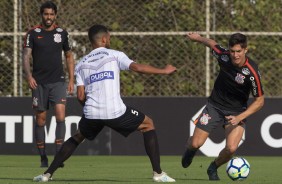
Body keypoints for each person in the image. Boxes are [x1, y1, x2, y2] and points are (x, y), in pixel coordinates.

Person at [33, 24, 176, 182]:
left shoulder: (81, 64)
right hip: (115, 111)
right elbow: (136, 67)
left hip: (91, 113)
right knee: (148, 124)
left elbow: (80, 96)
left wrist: (93, 111)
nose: (109, 39)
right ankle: (158, 173)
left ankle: (47, 174)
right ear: (104, 39)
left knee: (77, 137)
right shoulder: (114, 55)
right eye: (109, 37)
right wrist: (164, 70)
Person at [181, 32, 264, 180]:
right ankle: (190, 150)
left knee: (231, 148)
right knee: (196, 143)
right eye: (232, 51)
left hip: (237, 112)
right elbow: (212, 44)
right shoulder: (223, 56)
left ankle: (213, 167)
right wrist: (198, 38)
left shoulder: (251, 73)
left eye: (238, 51)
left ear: (245, 50)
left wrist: (240, 117)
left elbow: (260, 101)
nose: (235, 55)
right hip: (214, 106)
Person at [23, 1, 74, 167]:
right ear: (41, 15)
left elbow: (69, 56)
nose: (49, 17)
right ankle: (43, 157)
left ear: (55, 15)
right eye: (46, 14)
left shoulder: (62, 33)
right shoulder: (32, 33)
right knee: (41, 120)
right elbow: (25, 57)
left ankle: (59, 156)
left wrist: (72, 79)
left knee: (60, 115)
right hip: (39, 83)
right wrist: (29, 76)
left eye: (52, 14)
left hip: (58, 81)